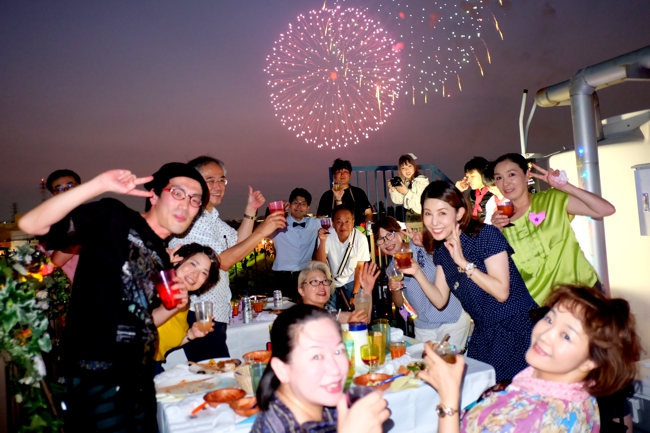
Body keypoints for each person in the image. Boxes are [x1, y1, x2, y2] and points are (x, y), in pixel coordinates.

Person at [19, 162, 209, 432]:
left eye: (194, 200)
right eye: (177, 193)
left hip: (139, 377)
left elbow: (144, 319)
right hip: (96, 374)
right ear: (154, 195)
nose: (186, 204)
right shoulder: (114, 217)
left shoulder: (162, 258)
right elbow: (31, 223)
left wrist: (174, 306)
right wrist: (99, 184)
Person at [419, 285, 641, 433]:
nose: (545, 334)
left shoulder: (541, 418)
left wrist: (448, 398)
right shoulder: (569, 388)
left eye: (566, 335)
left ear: (592, 361)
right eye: (550, 320)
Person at [399, 181, 538, 382]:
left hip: (517, 329)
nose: (434, 221)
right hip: (485, 335)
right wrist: (417, 272)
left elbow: (501, 292)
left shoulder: (485, 236)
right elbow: (439, 300)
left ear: (459, 213)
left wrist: (464, 263)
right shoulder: (442, 251)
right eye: (428, 213)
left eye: (442, 213)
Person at [169, 156, 286, 361]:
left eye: (221, 180)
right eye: (210, 179)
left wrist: (250, 212)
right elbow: (221, 262)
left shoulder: (212, 218)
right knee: (213, 374)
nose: (218, 185)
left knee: (213, 373)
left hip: (216, 312)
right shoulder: (190, 219)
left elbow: (238, 243)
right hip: (198, 313)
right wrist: (261, 232)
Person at [491, 153, 616, 304]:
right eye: (499, 178)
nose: (505, 183)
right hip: (542, 307)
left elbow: (605, 209)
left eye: (511, 174)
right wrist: (495, 234)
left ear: (526, 175)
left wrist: (564, 186)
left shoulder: (552, 199)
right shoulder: (501, 222)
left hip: (583, 293)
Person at [252, 304, 390, 433]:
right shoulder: (277, 427)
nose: (335, 369)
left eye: (338, 351)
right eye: (316, 356)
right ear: (282, 370)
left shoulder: (326, 405)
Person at [372, 216, 471, 349]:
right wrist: (395, 289)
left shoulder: (419, 246)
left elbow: (445, 254)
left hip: (451, 320)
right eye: (380, 239)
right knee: (423, 365)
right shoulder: (392, 269)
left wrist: (425, 243)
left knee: (447, 365)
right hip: (424, 327)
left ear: (400, 232)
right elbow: (399, 303)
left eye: (390, 235)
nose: (386, 242)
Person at [155, 243, 220, 372]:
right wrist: (158, 263)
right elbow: (140, 323)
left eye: (204, 273)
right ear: (178, 261)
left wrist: (191, 334)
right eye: (193, 264)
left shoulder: (185, 304)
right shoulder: (157, 285)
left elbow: (166, 340)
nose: (195, 274)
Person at [316, 205, 371, 311]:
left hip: (350, 279)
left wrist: (355, 293)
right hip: (329, 280)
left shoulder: (360, 239)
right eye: (339, 221)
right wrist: (322, 241)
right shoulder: (326, 235)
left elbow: (359, 268)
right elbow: (320, 263)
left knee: (356, 312)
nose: (343, 225)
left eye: (347, 221)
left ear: (353, 222)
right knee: (328, 313)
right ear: (332, 223)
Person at [269, 188, 321, 300]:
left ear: (308, 208)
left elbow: (337, 222)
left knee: (304, 309)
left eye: (303, 204)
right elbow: (260, 231)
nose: (299, 206)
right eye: (295, 202)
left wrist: (338, 200)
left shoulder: (314, 223)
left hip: (304, 276)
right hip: (282, 277)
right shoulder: (279, 223)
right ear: (290, 205)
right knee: (284, 311)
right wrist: (277, 211)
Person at [297, 260, 379, 324]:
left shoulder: (327, 312)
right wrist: (350, 325)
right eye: (314, 281)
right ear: (301, 290)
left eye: (325, 281)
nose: (322, 286)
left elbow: (363, 319)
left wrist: (367, 289)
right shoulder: (299, 318)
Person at [44, 169, 82, 280]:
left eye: (70, 185)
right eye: (59, 188)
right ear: (53, 194)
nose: (66, 190)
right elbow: (57, 260)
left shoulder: (95, 213)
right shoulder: (51, 221)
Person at [317, 158, 373, 224]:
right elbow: (320, 217)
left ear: (350, 174)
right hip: (333, 232)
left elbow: (368, 213)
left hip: (357, 230)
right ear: (334, 176)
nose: (342, 175)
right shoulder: (327, 196)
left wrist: (368, 229)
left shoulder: (358, 192)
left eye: (345, 172)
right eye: (339, 172)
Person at [388, 153, 430, 228]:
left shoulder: (422, 181)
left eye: (409, 166)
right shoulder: (407, 182)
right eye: (403, 168)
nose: (407, 170)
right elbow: (399, 200)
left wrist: (407, 192)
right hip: (410, 218)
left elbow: (423, 203)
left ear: (414, 166)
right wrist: (393, 190)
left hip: (421, 217)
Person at [455, 156, 493, 222]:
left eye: (472, 176)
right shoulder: (473, 194)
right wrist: (458, 191)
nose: (469, 180)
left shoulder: (493, 192)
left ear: (483, 174)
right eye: (467, 176)